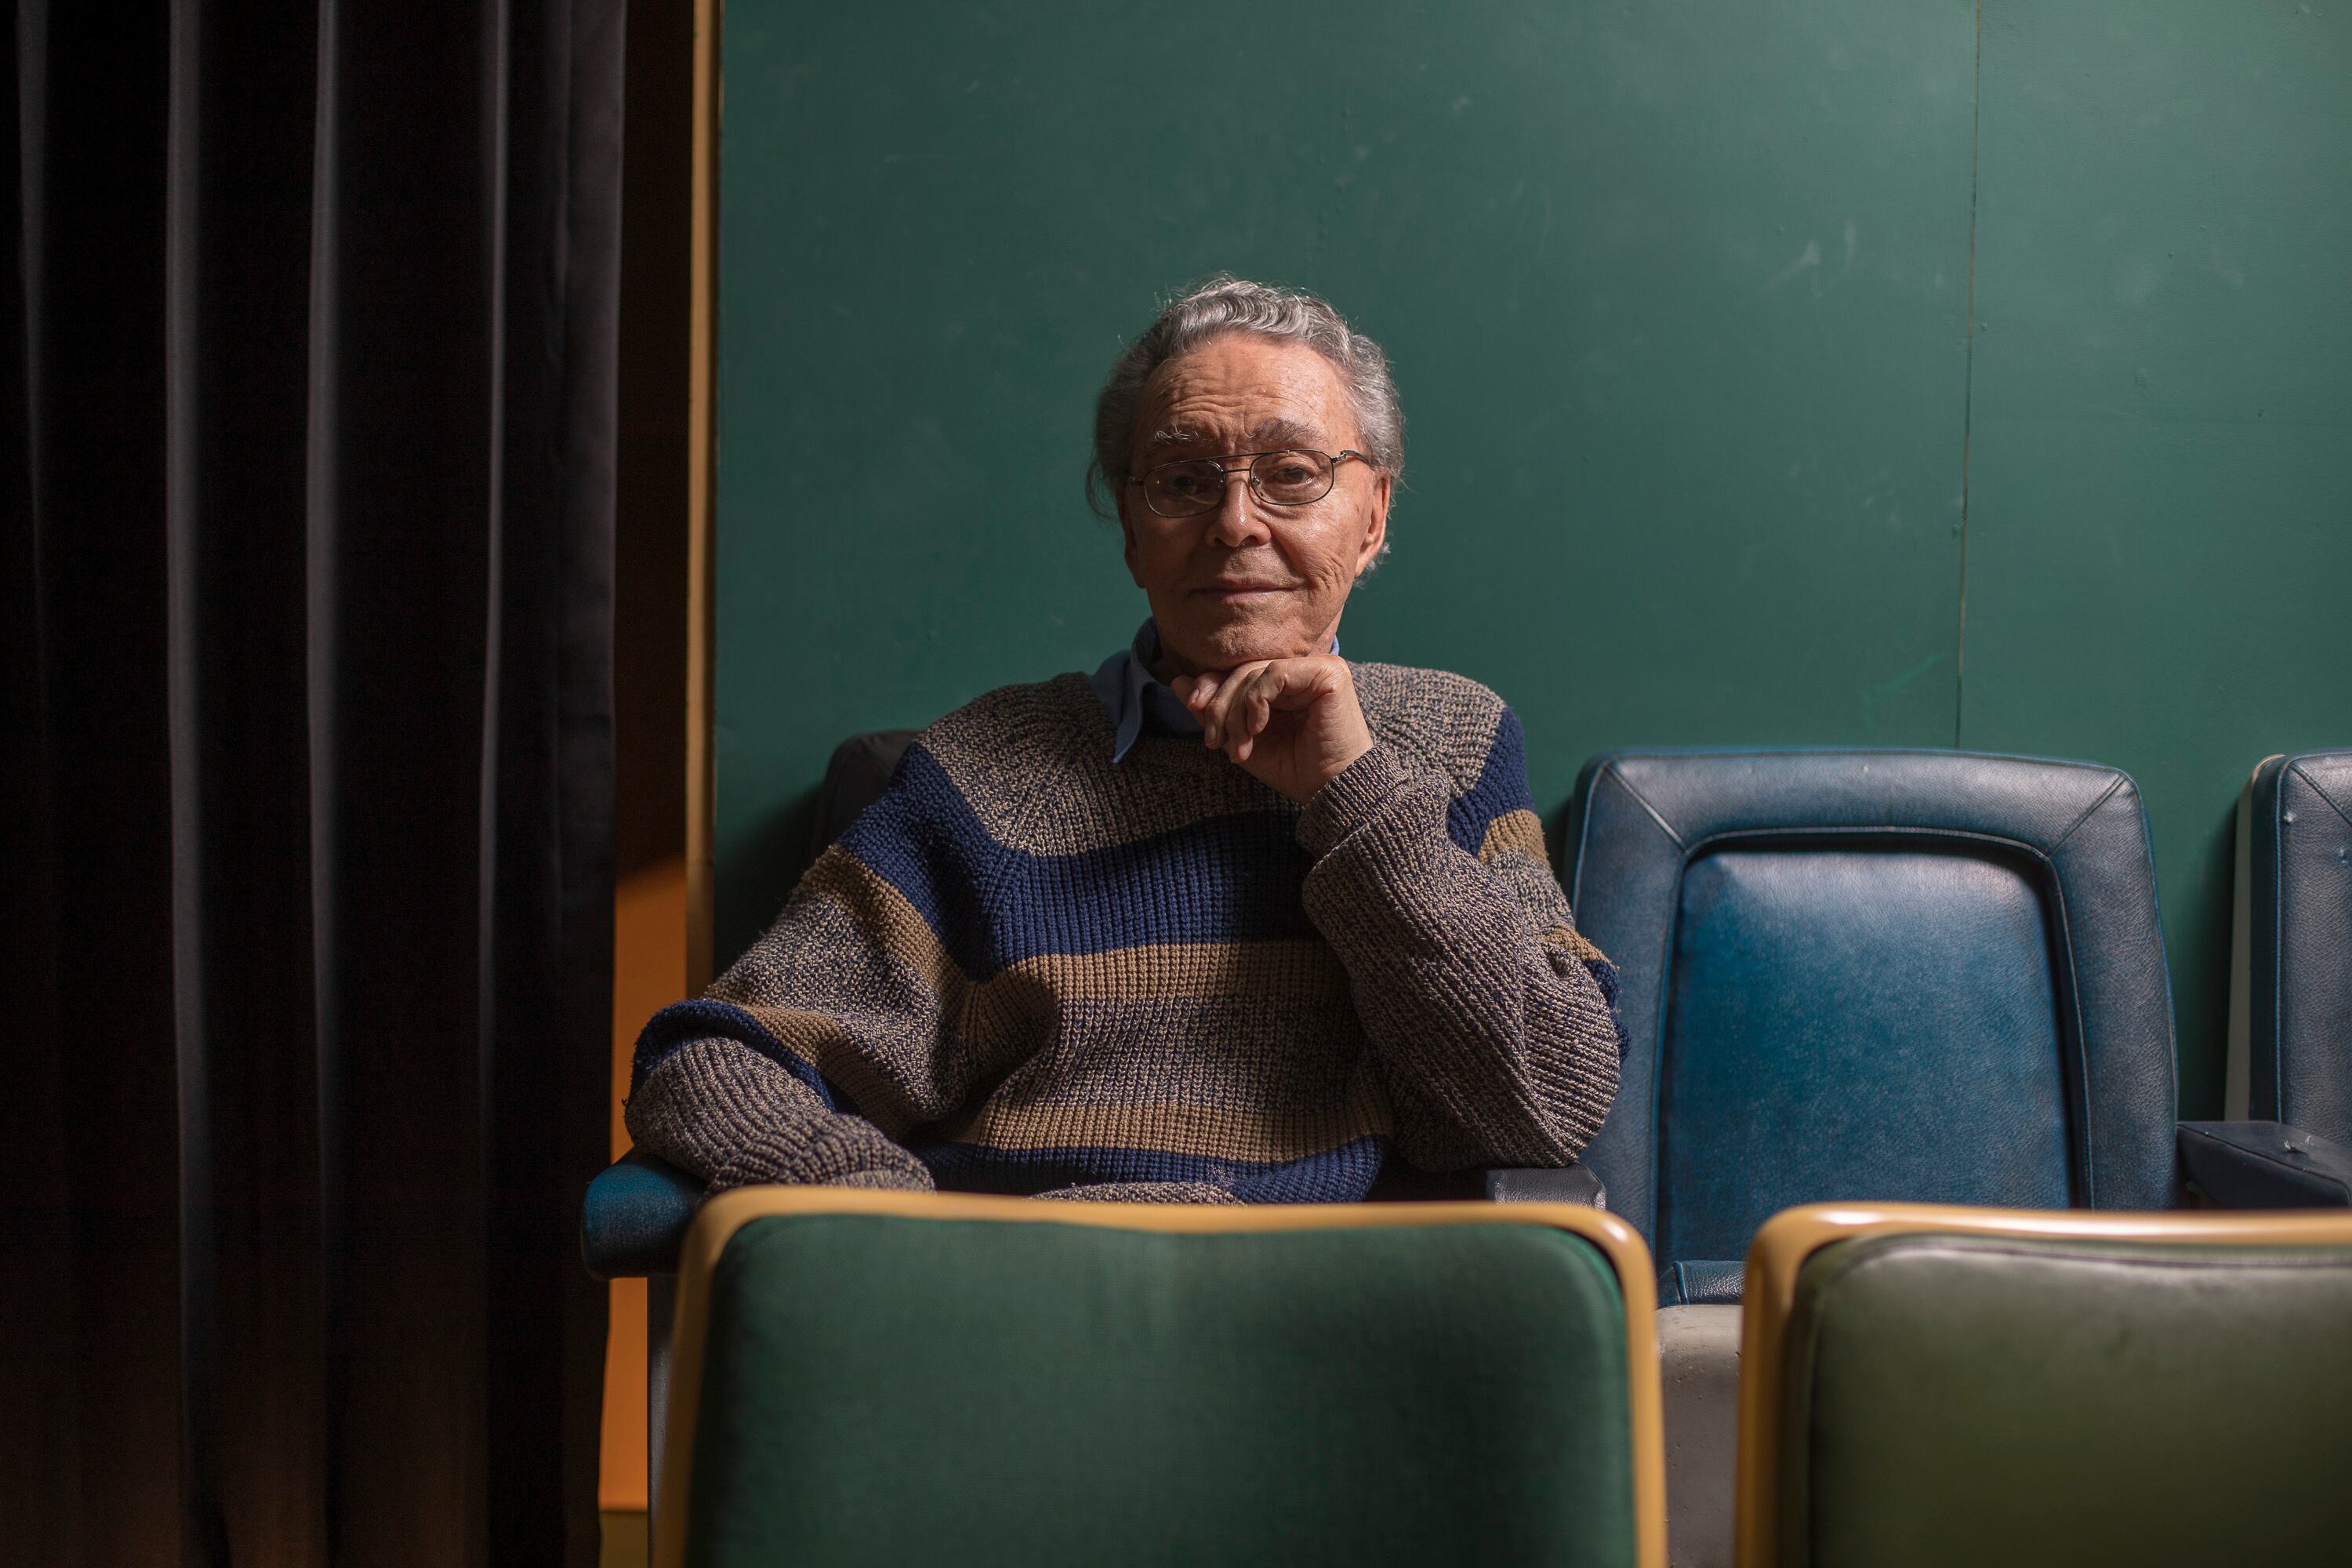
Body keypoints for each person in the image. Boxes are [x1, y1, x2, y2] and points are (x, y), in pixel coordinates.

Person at [625, 275, 1625, 1203]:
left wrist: (1353, 793)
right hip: (1030, 1293)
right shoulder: (986, 771)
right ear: (1134, 534)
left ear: (1371, 518)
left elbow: (1544, 1103)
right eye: (1183, 481)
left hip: (1325, 1301)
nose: (1235, 523)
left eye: (1291, 474)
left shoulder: (1452, 738)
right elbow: (715, 1065)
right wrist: (903, 1236)